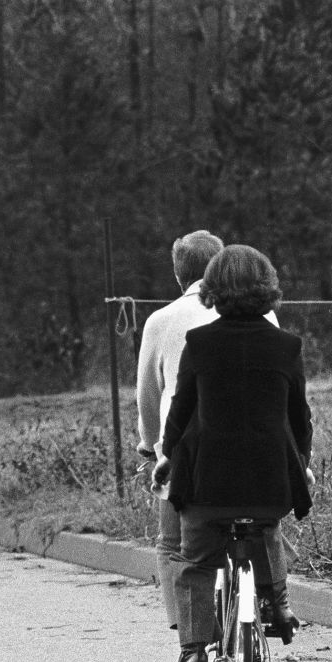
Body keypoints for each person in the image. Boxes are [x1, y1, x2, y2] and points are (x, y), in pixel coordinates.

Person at [153, 245, 313, 662]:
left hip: (207, 483)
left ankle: (193, 655)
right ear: (268, 290)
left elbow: (179, 415)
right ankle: (276, 604)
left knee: (197, 563)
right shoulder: (286, 346)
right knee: (266, 525)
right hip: (268, 482)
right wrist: (301, 463)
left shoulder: (199, 345)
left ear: (213, 291)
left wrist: (166, 458)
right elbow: (298, 417)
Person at [135, 231, 227, 631]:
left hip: (185, 449)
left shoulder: (162, 320)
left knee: (172, 543)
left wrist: (150, 443)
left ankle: (185, 633)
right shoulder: (258, 313)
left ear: (178, 275)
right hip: (253, 445)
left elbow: (148, 395)